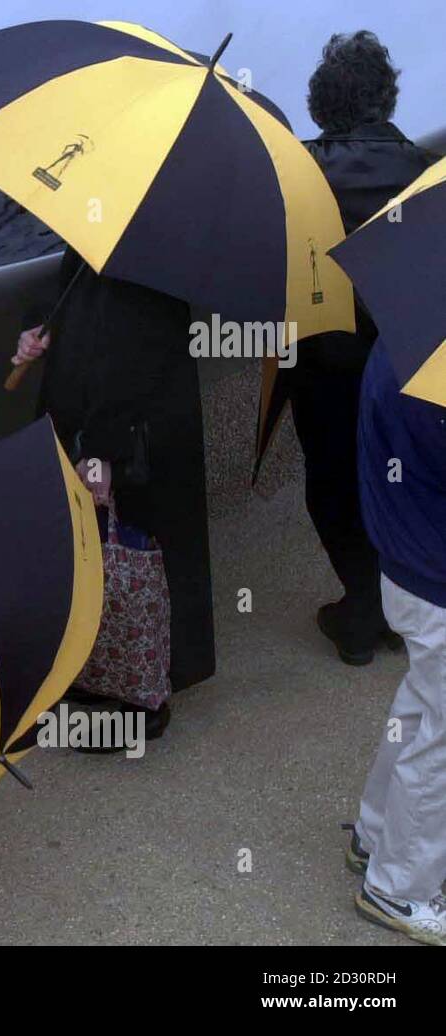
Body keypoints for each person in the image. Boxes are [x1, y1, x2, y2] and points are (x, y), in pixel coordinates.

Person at [13, 248, 214, 742]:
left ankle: (141, 697)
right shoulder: (114, 235)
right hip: (118, 430)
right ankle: (125, 675)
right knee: (129, 558)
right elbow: (71, 297)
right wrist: (40, 326)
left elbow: (135, 356)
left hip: (130, 440)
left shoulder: (148, 259)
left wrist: (100, 450)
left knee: (136, 558)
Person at [287, 31, 438, 665]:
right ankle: (404, 609)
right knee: (401, 476)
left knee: (331, 477)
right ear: (386, 98)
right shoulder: (423, 167)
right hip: (410, 358)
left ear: (322, 105)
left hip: (328, 360)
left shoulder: (298, 171)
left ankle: (359, 611)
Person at [347, 338, 446, 946]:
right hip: (435, 573)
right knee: (439, 746)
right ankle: (400, 889)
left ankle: (374, 833)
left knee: (422, 709)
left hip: (407, 563)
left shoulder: (405, 339)